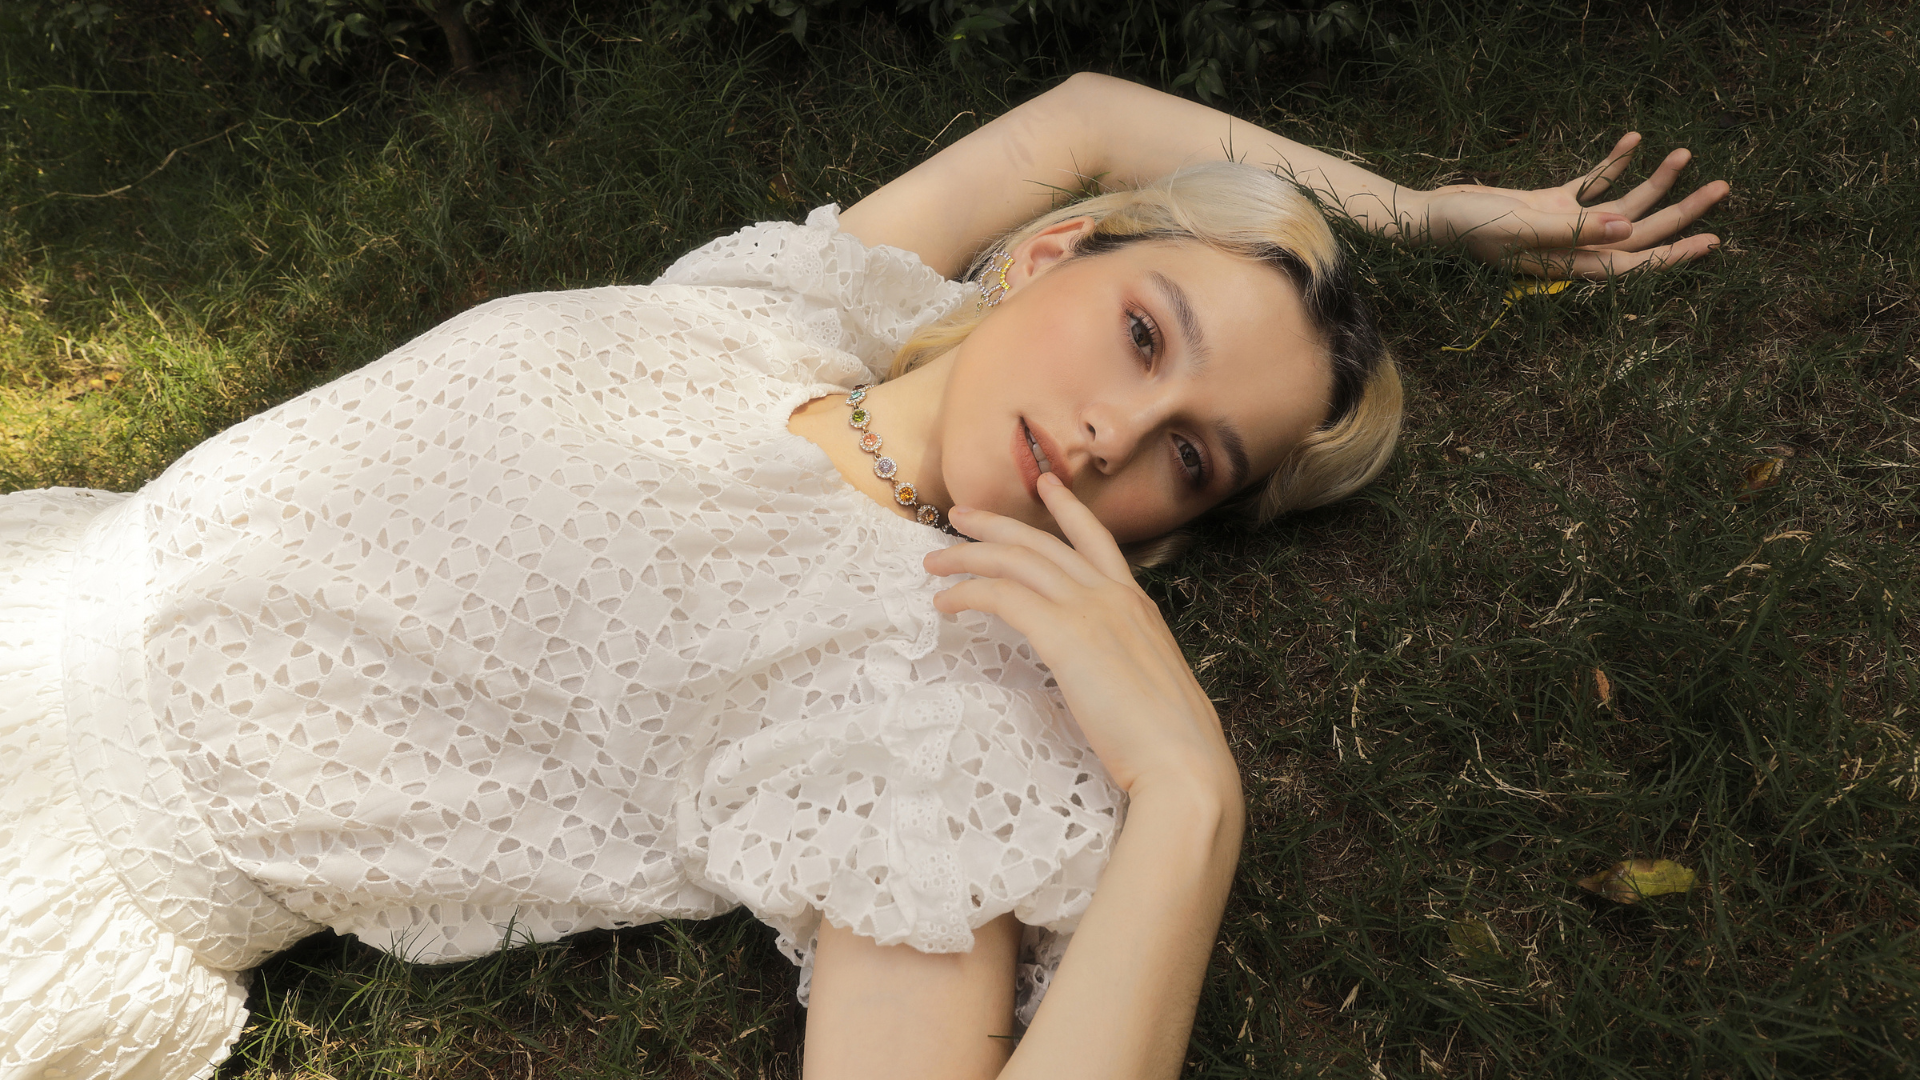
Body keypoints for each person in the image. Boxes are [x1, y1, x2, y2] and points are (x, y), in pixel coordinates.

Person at [0, 72, 1725, 1080]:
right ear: (1052, 256)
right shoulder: (799, 308)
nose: (1118, 433)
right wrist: (1425, 211)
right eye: (1145, 333)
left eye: (1192, 458)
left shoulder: (925, 705)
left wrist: (1188, 796)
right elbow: (1084, 118)